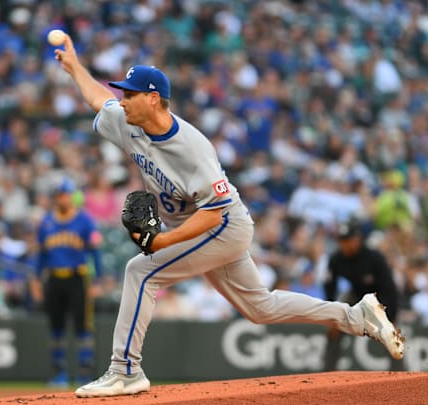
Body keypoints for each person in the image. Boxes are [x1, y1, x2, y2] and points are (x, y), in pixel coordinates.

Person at [53, 35, 405, 398]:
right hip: (203, 230)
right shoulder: (129, 123)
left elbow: (214, 211)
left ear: (153, 98)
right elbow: (99, 100)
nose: (122, 101)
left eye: (130, 94)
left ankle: (125, 370)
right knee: (260, 307)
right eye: (123, 94)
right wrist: (74, 66)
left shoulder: (192, 148)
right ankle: (357, 316)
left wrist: (162, 242)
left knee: (140, 271)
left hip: (223, 225)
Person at [31, 178, 105, 387]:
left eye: (65, 195)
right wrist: (35, 280)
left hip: (78, 277)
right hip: (54, 278)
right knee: (56, 327)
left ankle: (85, 371)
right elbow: (41, 255)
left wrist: (97, 279)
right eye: (59, 195)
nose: (62, 199)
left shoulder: (85, 220)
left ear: (72, 197)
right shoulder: (46, 222)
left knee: (83, 326)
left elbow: (95, 251)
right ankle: (58, 372)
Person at [323, 220, 402, 371]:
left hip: (380, 298)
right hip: (356, 296)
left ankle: (400, 376)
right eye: (342, 241)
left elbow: (390, 289)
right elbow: (330, 287)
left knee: (393, 337)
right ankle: (327, 373)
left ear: (357, 239)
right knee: (334, 328)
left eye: (348, 240)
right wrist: (331, 317)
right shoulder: (336, 259)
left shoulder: (374, 258)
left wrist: (391, 318)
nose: (344, 244)